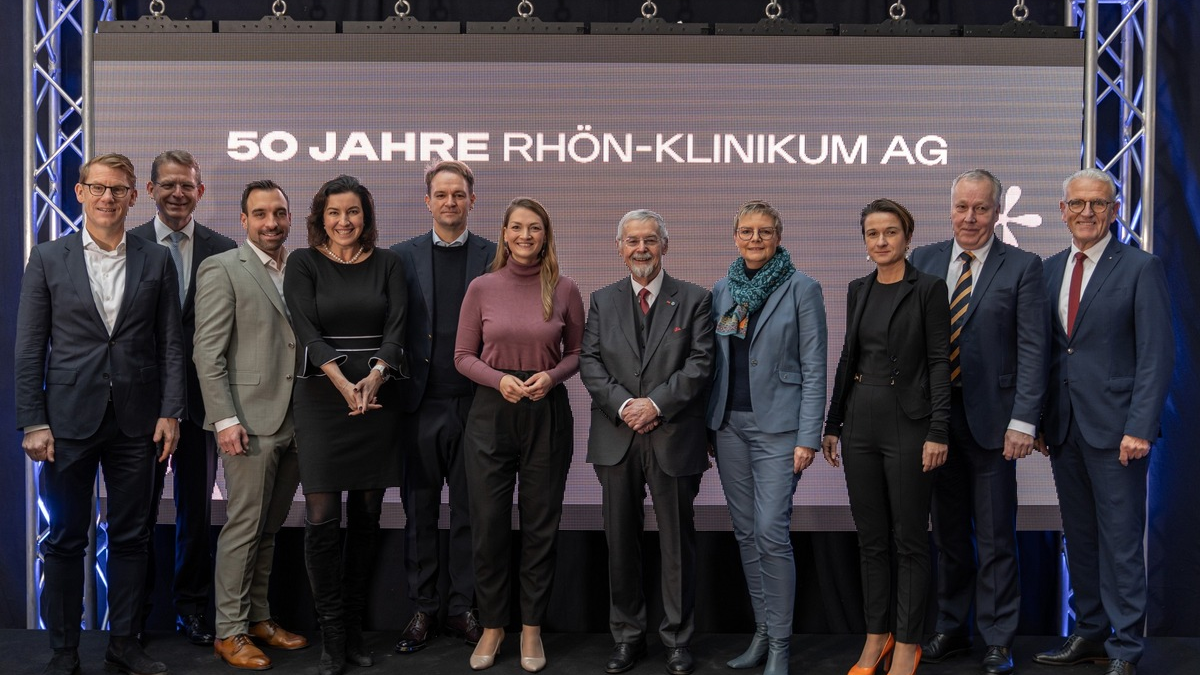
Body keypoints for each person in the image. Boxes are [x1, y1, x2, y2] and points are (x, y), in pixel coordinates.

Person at [16, 153, 184, 675]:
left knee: (132, 537)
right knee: (65, 538)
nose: (108, 197)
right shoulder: (47, 257)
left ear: (136, 197)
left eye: (119, 189)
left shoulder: (156, 259)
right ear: (80, 192)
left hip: (139, 421)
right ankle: (64, 650)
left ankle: (124, 644)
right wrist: (33, 420)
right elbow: (29, 348)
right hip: (66, 422)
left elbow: (171, 345)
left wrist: (171, 411)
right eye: (99, 188)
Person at [1032, 169, 1172, 675]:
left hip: (1119, 434)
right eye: (1077, 203)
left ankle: (1126, 646)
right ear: (1062, 209)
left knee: (1119, 541)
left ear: (1114, 210)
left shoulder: (1140, 267)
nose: (1086, 212)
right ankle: (1089, 634)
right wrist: (1043, 420)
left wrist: (1140, 426)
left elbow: (1156, 355)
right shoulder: (1047, 271)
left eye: (1098, 203)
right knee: (1082, 538)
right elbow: (1048, 353)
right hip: (1065, 430)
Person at [910, 169, 1048, 675]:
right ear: (950, 208)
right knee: (946, 534)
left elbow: (1034, 350)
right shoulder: (922, 260)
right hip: (935, 423)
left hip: (994, 424)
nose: (970, 218)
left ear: (996, 212)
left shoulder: (1023, 266)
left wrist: (1024, 421)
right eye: (962, 207)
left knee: (994, 536)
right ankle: (950, 625)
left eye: (982, 208)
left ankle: (996, 637)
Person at [579, 209, 714, 675]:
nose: (641, 249)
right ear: (620, 247)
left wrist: (654, 405)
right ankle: (628, 637)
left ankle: (677, 639)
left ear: (664, 246)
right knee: (621, 542)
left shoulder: (695, 299)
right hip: (616, 438)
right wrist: (624, 406)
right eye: (632, 241)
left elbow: (700, 363)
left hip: (672, 436)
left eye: (650, 240)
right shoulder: (601, 300)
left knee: (678, 543)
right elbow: (590, 362)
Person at [283, 175, 409, 675]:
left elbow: (398, 327)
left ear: (366, 216)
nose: (344, 221)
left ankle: (354, 628)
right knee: (321, 520)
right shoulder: (303, 262)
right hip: (321, 398)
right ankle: (332, 636)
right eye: (334, 213)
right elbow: (305, 328)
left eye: (353, 212)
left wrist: (375, 377)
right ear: (320, 217)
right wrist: (341, 382)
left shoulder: (390, 263)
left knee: (367, 516)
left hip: (378, 402)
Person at [453, 197, 583, 673]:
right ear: (504, 233)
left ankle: (531, 628)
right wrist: (497, 378)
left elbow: (577, 353)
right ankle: (492, 627)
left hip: (546, 411)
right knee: (487, 525)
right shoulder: (482, 287)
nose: (525, 236)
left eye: (535, 228)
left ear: (545, 235)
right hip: (492, 412)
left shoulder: (565, 288)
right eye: (517, 228)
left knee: (540, 527)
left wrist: (551, 377)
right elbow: (463, 355)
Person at [821, 198, 950, 675]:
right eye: (872, 233)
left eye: (890, 232)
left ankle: (908, 643)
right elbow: (846, 358)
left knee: (910, 539)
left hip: (910, 423)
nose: (881, 241)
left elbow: (940, 362)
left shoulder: (929, 289)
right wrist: (832, 425)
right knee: (871, 539)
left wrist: (939, 430)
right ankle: (876, 638)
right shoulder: (858, 289)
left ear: (907, 237)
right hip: (859, 422)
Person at [707, 201, 827, 675]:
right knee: (744, 532)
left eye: (764, 231)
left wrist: (809, 437)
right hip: (729, 426)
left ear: (778, 235)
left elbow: (815, 366)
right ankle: (761, 632)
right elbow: (714, 364)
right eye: (746, 231)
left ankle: (780, 643)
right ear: (734, 236)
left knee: (770, 532)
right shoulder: (722, 289)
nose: (755, 239)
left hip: (780, 430)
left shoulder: (803, 288)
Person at [194, 180, 308, 670]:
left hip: (297, 419)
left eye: (279, 213)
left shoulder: (300, 268)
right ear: (243, 221)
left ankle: (259, 618)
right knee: (243, 527)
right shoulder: (222, 268)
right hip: (246, 423)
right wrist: (224, 419)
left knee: (269, 527)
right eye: (260, 214)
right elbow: (208, 352)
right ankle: (229, 630)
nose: (271, 223)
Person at [130, 150, 236, 646]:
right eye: (168, 184)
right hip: (140, 405)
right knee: (138, 514)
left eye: (187, 186)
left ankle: (192, 611)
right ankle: (135, 615)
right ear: (149, 190)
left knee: (197, 511)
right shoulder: (125, 246)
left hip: (202, 403)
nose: (178, 193)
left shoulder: (224, 248)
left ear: (200, 192)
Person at [390, 161, 494, 653]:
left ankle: (462, 608)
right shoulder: (400, 257)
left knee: (472, 513)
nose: (450, 202)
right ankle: (423, 608)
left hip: (478, 405)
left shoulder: (495, 257)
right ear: (426, 201)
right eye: (441, 194)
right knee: (420, 511)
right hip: (419, 403)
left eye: (459, 195)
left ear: (473, 201)